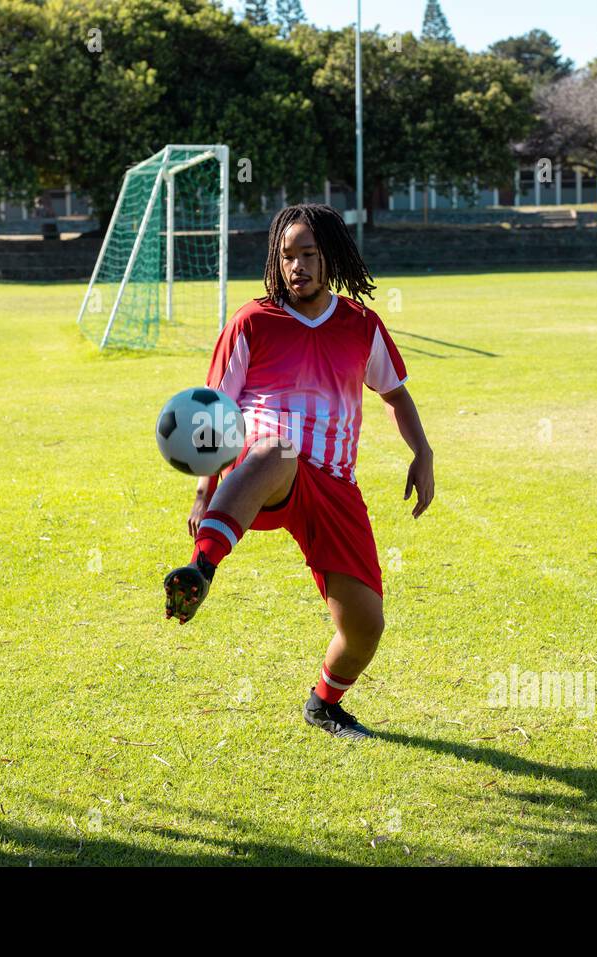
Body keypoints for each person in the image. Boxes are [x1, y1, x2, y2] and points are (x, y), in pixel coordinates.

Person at [163, 203, 434, 740]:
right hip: (264, 470)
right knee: (278, 449)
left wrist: (422, 453)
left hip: (334, 483)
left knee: (364, 627)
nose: (297, 266)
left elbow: (396, 396)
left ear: (329, 256)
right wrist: (203, 490)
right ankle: (201, 570)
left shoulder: (361, 325)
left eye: (308, 254)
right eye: (287, 256)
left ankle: (324, 705)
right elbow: (215, 411)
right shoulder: (252, 320)